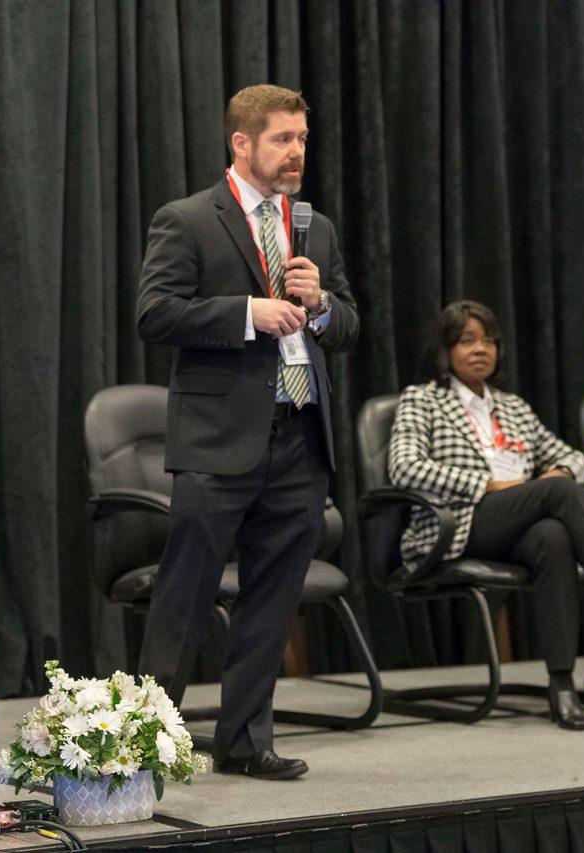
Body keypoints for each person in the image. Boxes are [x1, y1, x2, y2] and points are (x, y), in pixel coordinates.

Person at [135, 84, 358, 779]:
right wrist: (245, 314)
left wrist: (321, 306)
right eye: (282, 139)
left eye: (302, 139)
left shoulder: (313, 227)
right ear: (242, 142)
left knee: (272, 597)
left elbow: (349, 325)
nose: (296, 152)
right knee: (185, 596)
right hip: (218, 437)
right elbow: (155, 312)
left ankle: (243, 740)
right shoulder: (190, 219)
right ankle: (145, 746)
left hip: (300, 433)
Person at [388, 300, 584, 730]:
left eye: (489, 341)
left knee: (553, 536)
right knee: (557, 493)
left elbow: (574, 459)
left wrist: (558, 472)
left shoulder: (513, 407)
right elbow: (404, 467)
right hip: (458, 524)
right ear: (446, 350)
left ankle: (562, 685)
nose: (481, 349)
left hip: (516, 522)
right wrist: (485, 485)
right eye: (467, 341)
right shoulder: (423, 399)